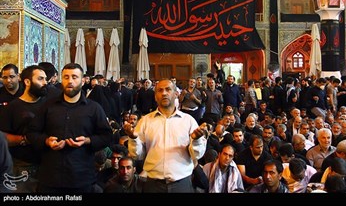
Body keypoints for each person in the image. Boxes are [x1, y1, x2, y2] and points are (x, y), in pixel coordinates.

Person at [27, 63, 113, 193]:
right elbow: (32, 133)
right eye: (66, 77)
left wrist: (87, 140)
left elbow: (106, 136)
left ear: (83, 81)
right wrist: (46, 141)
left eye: (74, 77)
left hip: (81, 177)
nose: (70, 81)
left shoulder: (94, 108)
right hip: (51, 177)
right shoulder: (48, 106)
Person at [124, 79, 208, 193]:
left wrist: (196, 140)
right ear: (155, 96)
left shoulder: (188, 121)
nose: (164, 93)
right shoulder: (145, 121)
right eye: (160, 90)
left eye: (168, 89)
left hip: (181, 183)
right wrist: (133, 138)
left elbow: (197, 155)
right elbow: (137, 155)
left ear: (176, 94)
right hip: (153, 184)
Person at [0, 65, 48, 193]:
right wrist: (26, 139)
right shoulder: (13, 107)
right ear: (27, 82)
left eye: (45, 79)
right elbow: (3, 137)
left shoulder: (48, 104)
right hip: (22, 166)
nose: (45, 83)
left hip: (47, 165)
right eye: (40, 79)